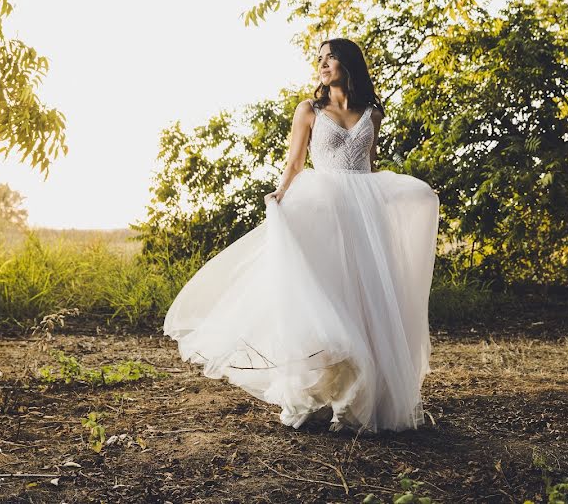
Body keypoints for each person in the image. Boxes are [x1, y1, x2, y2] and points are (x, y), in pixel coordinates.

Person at [163, 38, 439, 434]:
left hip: (364, 212)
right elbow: (294, 163)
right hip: (321, 207)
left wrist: (403, 196)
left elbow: (369, 165)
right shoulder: (309, 110)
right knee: (324, 300)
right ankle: (320, 393)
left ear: (348, 63)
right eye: (320, 59)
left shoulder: (372, 112)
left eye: (331, 58)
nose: (323, 65)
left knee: (366, 302)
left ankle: (358, 401)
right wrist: (279, 195)